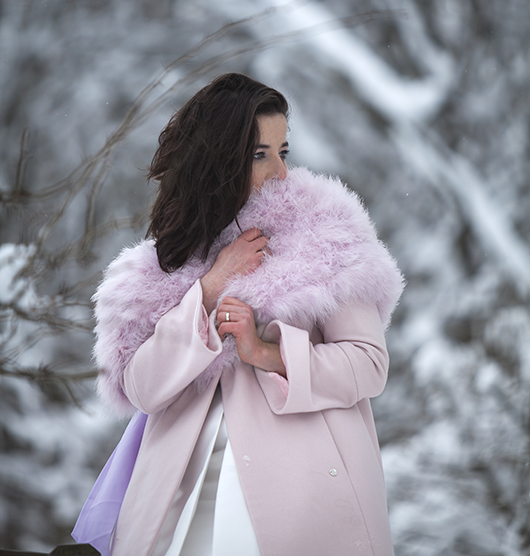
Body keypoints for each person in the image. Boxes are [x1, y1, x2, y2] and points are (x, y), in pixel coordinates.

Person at [73, 72, 404, 556]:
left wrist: (267, 352)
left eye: (282, 152)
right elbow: (142, 389)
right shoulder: (158, 269)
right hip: (176, 501)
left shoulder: (324, 235)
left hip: (299, 496)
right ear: (214, 160)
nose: (279, 173)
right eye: (258, 155)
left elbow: (369, 365)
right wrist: (207, 290)